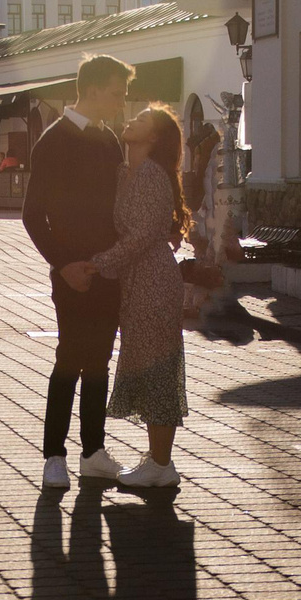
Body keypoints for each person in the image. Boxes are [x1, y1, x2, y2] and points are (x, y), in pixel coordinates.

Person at [21, 54, 133, 486]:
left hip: (107, 271)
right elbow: (33, 215)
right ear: (92, 89)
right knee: (69, 358)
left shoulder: (110, 140)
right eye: (117, 93)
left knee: (100, 361)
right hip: (71, 274)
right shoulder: (53, 141)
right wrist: (63, 265)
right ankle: (54, 457)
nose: (122, 102)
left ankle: (93, 451)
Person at [72, 104, 192, 487]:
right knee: (145, 362)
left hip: (154, 278)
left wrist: (100, 262)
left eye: (140, 120)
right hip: (134, 281)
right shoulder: (126, 172)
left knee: (159, 366)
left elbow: (142, 235)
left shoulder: (153, 176)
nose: (129, 121)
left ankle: (161, 465)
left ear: (154, 138)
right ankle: (157, 460)